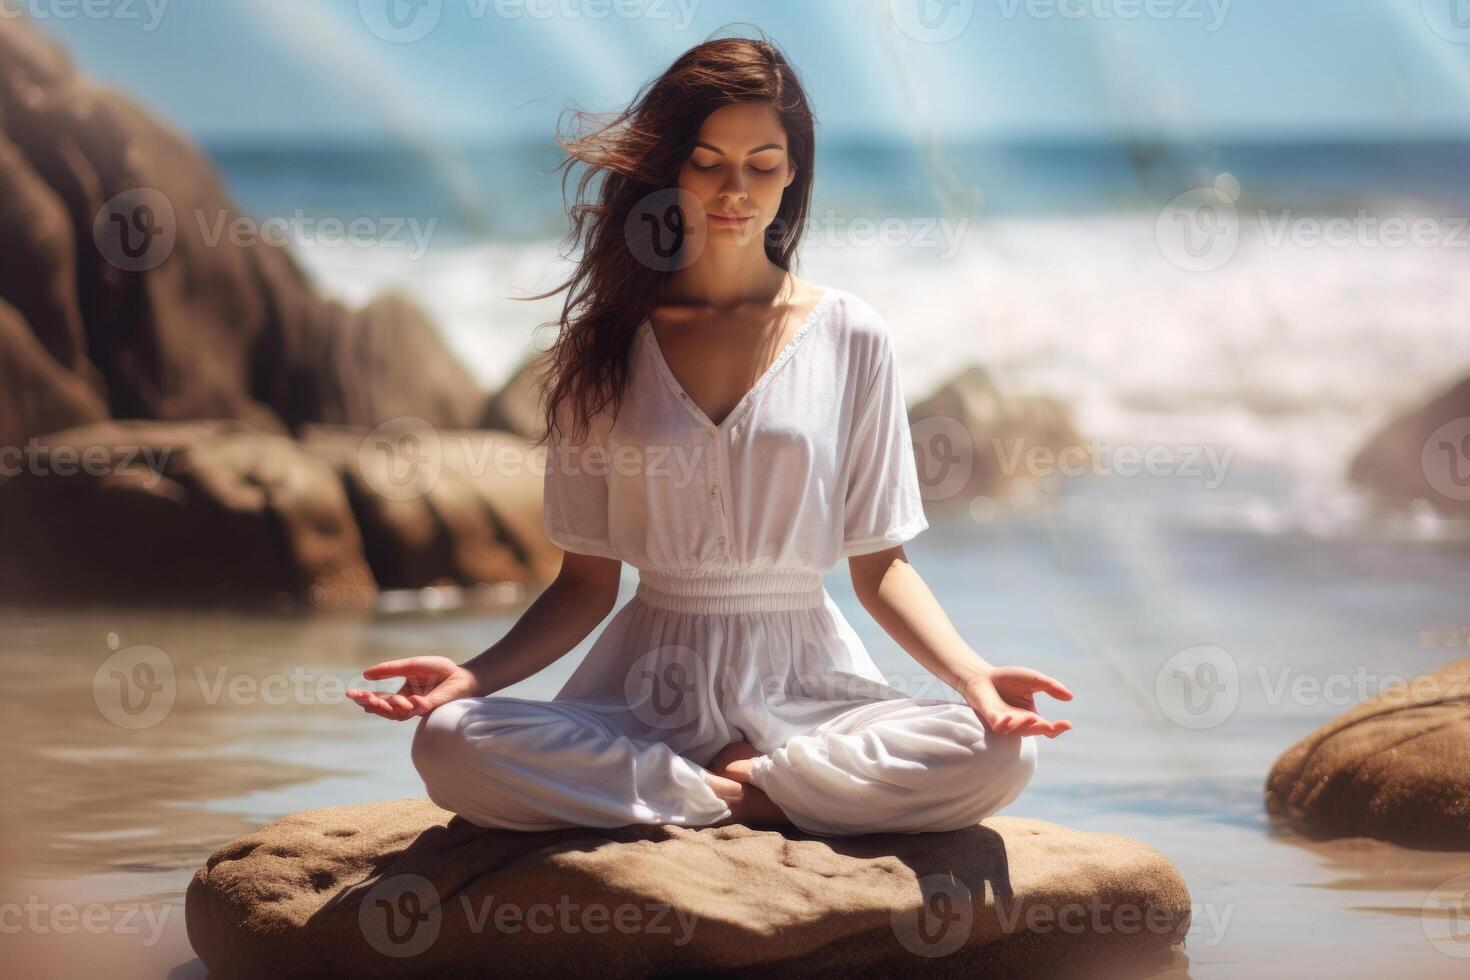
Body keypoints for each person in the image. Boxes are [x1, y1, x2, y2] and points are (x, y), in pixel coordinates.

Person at [347, 33, 1073, 837]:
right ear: (670, 168)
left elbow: (882, 566)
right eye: (708, 162)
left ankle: (740, 785)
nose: (736, 190)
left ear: (794, 170)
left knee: (1003, 752)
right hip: (645, 686)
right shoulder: (606, 345)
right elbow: (586, 584)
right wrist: (471, 676)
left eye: (763, 164)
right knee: (448, 744)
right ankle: (734, 794)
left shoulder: (852, 334)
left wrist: (972, 675)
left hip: (808, 683)